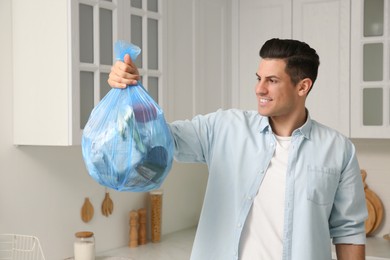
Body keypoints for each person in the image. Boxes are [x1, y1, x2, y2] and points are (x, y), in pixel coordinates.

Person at [108, 38, 367, 260]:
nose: (259, 89)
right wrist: (130, 92)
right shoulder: (225, 128)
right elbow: (162, 139)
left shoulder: (338, 150)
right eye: (258, 78)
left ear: (303, 86)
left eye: (272, 80)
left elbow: (349, 231)